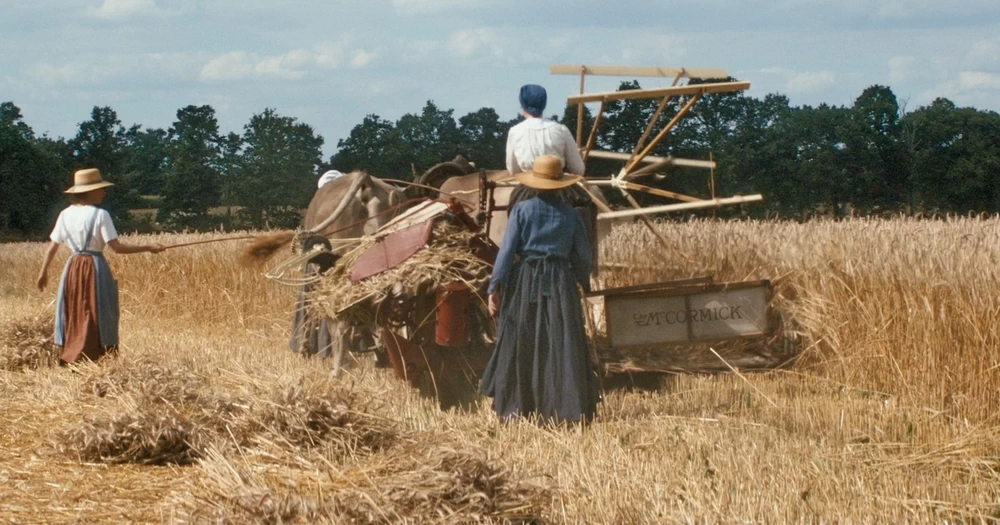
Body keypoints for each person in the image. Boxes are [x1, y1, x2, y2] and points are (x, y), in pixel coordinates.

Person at [480, 154, 600, 425]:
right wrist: (584, 283)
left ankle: (516, 409)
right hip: (561, 282)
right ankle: (565, 412)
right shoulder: (571, 214)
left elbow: (507, 251)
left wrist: (495, 286)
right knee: (561, 341)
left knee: (521, 339)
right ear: (560, 184)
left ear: (534, 183)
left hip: (527, 280)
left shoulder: (522, 210)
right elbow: (583, 255)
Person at [36, 168, 164, 365]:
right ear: (89, 192)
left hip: (72, 267)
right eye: (100, 189)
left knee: (75, 307)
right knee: (98, 309)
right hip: (94, 266)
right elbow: (117, 248)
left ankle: (71, 353)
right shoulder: (100, 215)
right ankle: (94, 354)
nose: (103, 192)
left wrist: (43, 272)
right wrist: (149, 247)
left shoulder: (65, 214)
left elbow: (52, 247)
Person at [505, 84, 585, 176]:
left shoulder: (515, 131)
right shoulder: (561, 129)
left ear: (523, 106)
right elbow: (578, 169)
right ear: (544, 104)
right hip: (557, 182)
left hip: (527, 183)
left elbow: (513, 170)